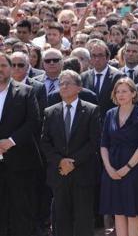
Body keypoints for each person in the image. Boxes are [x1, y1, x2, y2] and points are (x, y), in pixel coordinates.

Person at [40, 70, 101, 236]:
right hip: (59, 175)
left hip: (83, 174)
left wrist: (72, 162)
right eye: (61, 83)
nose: (64, 86)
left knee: (83, 219)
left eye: (68, 83)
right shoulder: (50, 112)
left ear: (79, 88)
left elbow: (94, 142)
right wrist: (61, 162)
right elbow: (45, 142)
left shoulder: (91, 110)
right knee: (60, 220)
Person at [100, 78, 138, 236]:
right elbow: (103, 144)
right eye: (118, 91)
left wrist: (127, 168)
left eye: (124, 91)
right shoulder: (110, 114)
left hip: (134, 168)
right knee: (118, 212)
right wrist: (109, 168)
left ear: (133, 93)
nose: (120, 94)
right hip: (112, 167)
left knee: (133, 212)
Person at [0, 52, 42, 236]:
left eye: (2, 65)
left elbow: (34, 121)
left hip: (20, 162)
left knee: (21, 209)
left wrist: (11, 141)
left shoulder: (26, 91)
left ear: (10, 68)